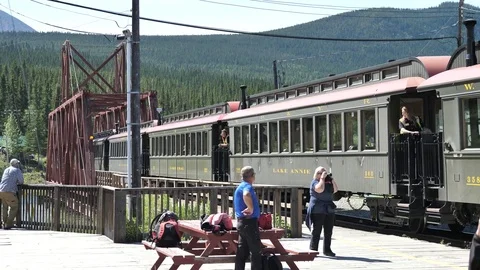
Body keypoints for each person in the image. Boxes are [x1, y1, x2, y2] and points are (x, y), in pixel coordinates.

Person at [306, 166, 338, 257]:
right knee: (317, 230)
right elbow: (320, 189)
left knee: (328, 231)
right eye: (320, 173)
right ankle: (313, 249)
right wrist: (322, 179)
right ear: (316, 174)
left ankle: (327, 250)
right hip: (318, 209)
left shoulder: (328, 182)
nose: (322, 174)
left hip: (329, 209)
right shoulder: (314, 182)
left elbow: (335, 190)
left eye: (324, 172)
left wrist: (331, 180)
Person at [233, 166, 261, 270]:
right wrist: (251, 208)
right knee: (255, 252)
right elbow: (247, 194)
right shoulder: (247, 187)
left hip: (241, 223)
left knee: (241, 252)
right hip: (250, 223)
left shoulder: (240, 186)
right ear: (251, 176)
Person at [0, 159, 24, 229]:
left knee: (5, 207)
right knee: (14, 207)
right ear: (16, 164)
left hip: (1, 190)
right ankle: (8, 224)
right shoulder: (17, 170)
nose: (18, 165)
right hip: (10, 191)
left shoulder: (6, 169)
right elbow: (21, 181)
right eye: (18, 164)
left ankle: (4, 223)